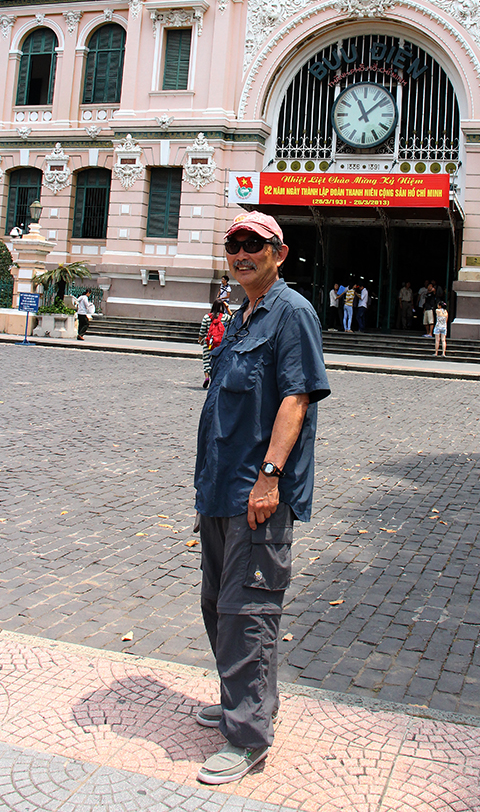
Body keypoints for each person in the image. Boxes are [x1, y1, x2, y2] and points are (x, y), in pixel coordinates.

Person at [193, 210, 330, 786]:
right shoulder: (240, 313)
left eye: (255, 244)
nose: (242, 254)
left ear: (280, 253)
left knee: (247, 610)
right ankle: (244, 700)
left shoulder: (291, 312)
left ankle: (247, 736)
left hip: (257, 494)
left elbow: (296, 399)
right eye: (235, 245)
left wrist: (270, 477)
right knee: (217, 605)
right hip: (219, 488)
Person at [198, 301, 225, 389]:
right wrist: (228, 308)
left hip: (209, 343)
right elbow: (234, 321)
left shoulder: (207, 317)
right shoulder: (225, 317)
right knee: (218, 361)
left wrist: (200, 340)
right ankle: (215, 378)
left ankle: (207, 377)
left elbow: (202, 331)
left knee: (206, 359)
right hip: (220, 344)